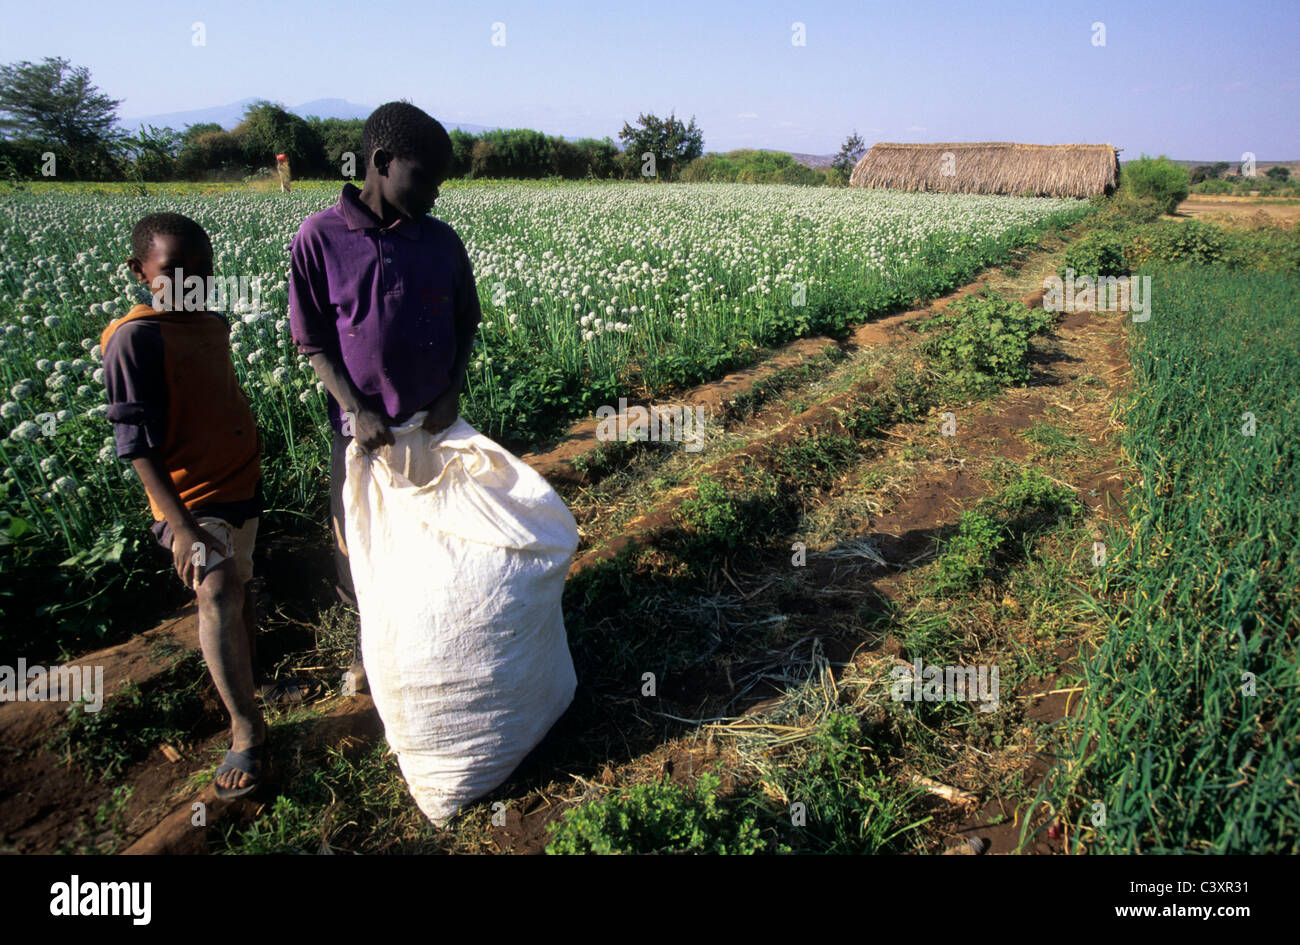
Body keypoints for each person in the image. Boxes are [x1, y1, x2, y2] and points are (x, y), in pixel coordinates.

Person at [101, 213, 318, 799]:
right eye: (175, 271)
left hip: (238, 486)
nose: (191, 281)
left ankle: (258, 684)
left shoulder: (210, 322)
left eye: (204, 271)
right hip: (191, 502)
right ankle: (245, 727)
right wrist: (182, 527)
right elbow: (136, 445)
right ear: (139, 272)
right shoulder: (134, 338)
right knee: (217, 587)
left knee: (240, 585)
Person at [288, 102, 482, 694]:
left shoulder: (441, 242)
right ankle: (371, 653)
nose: (435, 194)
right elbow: (314, 341)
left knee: (445, 538)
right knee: (362, 547)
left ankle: (443, 642)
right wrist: (355, 408)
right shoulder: (320, 239)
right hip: (363, 435)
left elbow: (465, 325)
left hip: (435, 426)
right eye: (425, 178)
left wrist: (452, 392)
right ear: (380, 162)